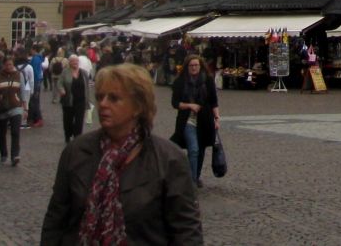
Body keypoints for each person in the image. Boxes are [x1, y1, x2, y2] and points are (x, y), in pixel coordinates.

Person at [41, 62, 202, 245]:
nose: (102, 104)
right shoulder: (76, 151)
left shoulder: (169, 159)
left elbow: (187, 231)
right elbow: (56, 220)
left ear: (138, 106)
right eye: (100, 97)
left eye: (114, 98)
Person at [171, 54, 220, 187]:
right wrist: (189, 105)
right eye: (191, 65)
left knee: (201, 149)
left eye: (196, 65)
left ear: (200, 66)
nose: (194, 68)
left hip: (205, 120)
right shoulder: (180, 82)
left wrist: (217, 118)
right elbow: (175, 103)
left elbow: (213, 101)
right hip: (187, 120)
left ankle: (196, 176)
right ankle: (191, 180)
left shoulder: (208, 80)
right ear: (187, 67)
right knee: (193, 149)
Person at [0, 52, 28, 166]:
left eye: (10, 65)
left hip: (15, 106)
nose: (9, 67)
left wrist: (26, 108)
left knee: (15, 131)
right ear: (3, 65)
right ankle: (3, 154)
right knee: (2, 133)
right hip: (1, 108)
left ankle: (15, 155)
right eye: (7, 65)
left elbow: (23, 92)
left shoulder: (19, 75)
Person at [61, 54, 91, 142]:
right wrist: (62, 89)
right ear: (69, 62)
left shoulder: (83, 73)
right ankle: (68, 135)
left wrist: (87, 100)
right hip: (68, 101)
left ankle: (77, 138)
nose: (75, 63)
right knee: (68, 121)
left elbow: (87, 87)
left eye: (77, 61)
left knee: (79, 121)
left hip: (81, 101)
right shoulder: (65, 72)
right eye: (73, 61)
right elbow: (60, 83)